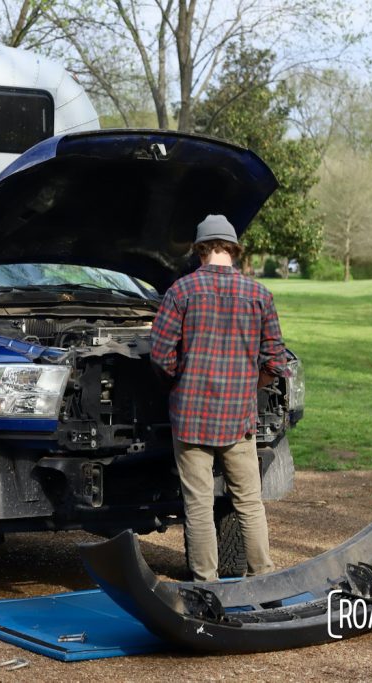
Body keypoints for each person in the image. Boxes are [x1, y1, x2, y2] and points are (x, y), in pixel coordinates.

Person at [149, 214, 290, 582]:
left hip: (191, 418)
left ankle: (206, 585)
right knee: (249, 503)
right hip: (239, 419)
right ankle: (263, 579)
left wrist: (178, 386)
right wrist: (248, 386)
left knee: (198, 505)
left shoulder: (180, 293)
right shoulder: (259, 295)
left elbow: (161, 356)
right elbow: (276, 361)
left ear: (200, 251)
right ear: (233, 250)